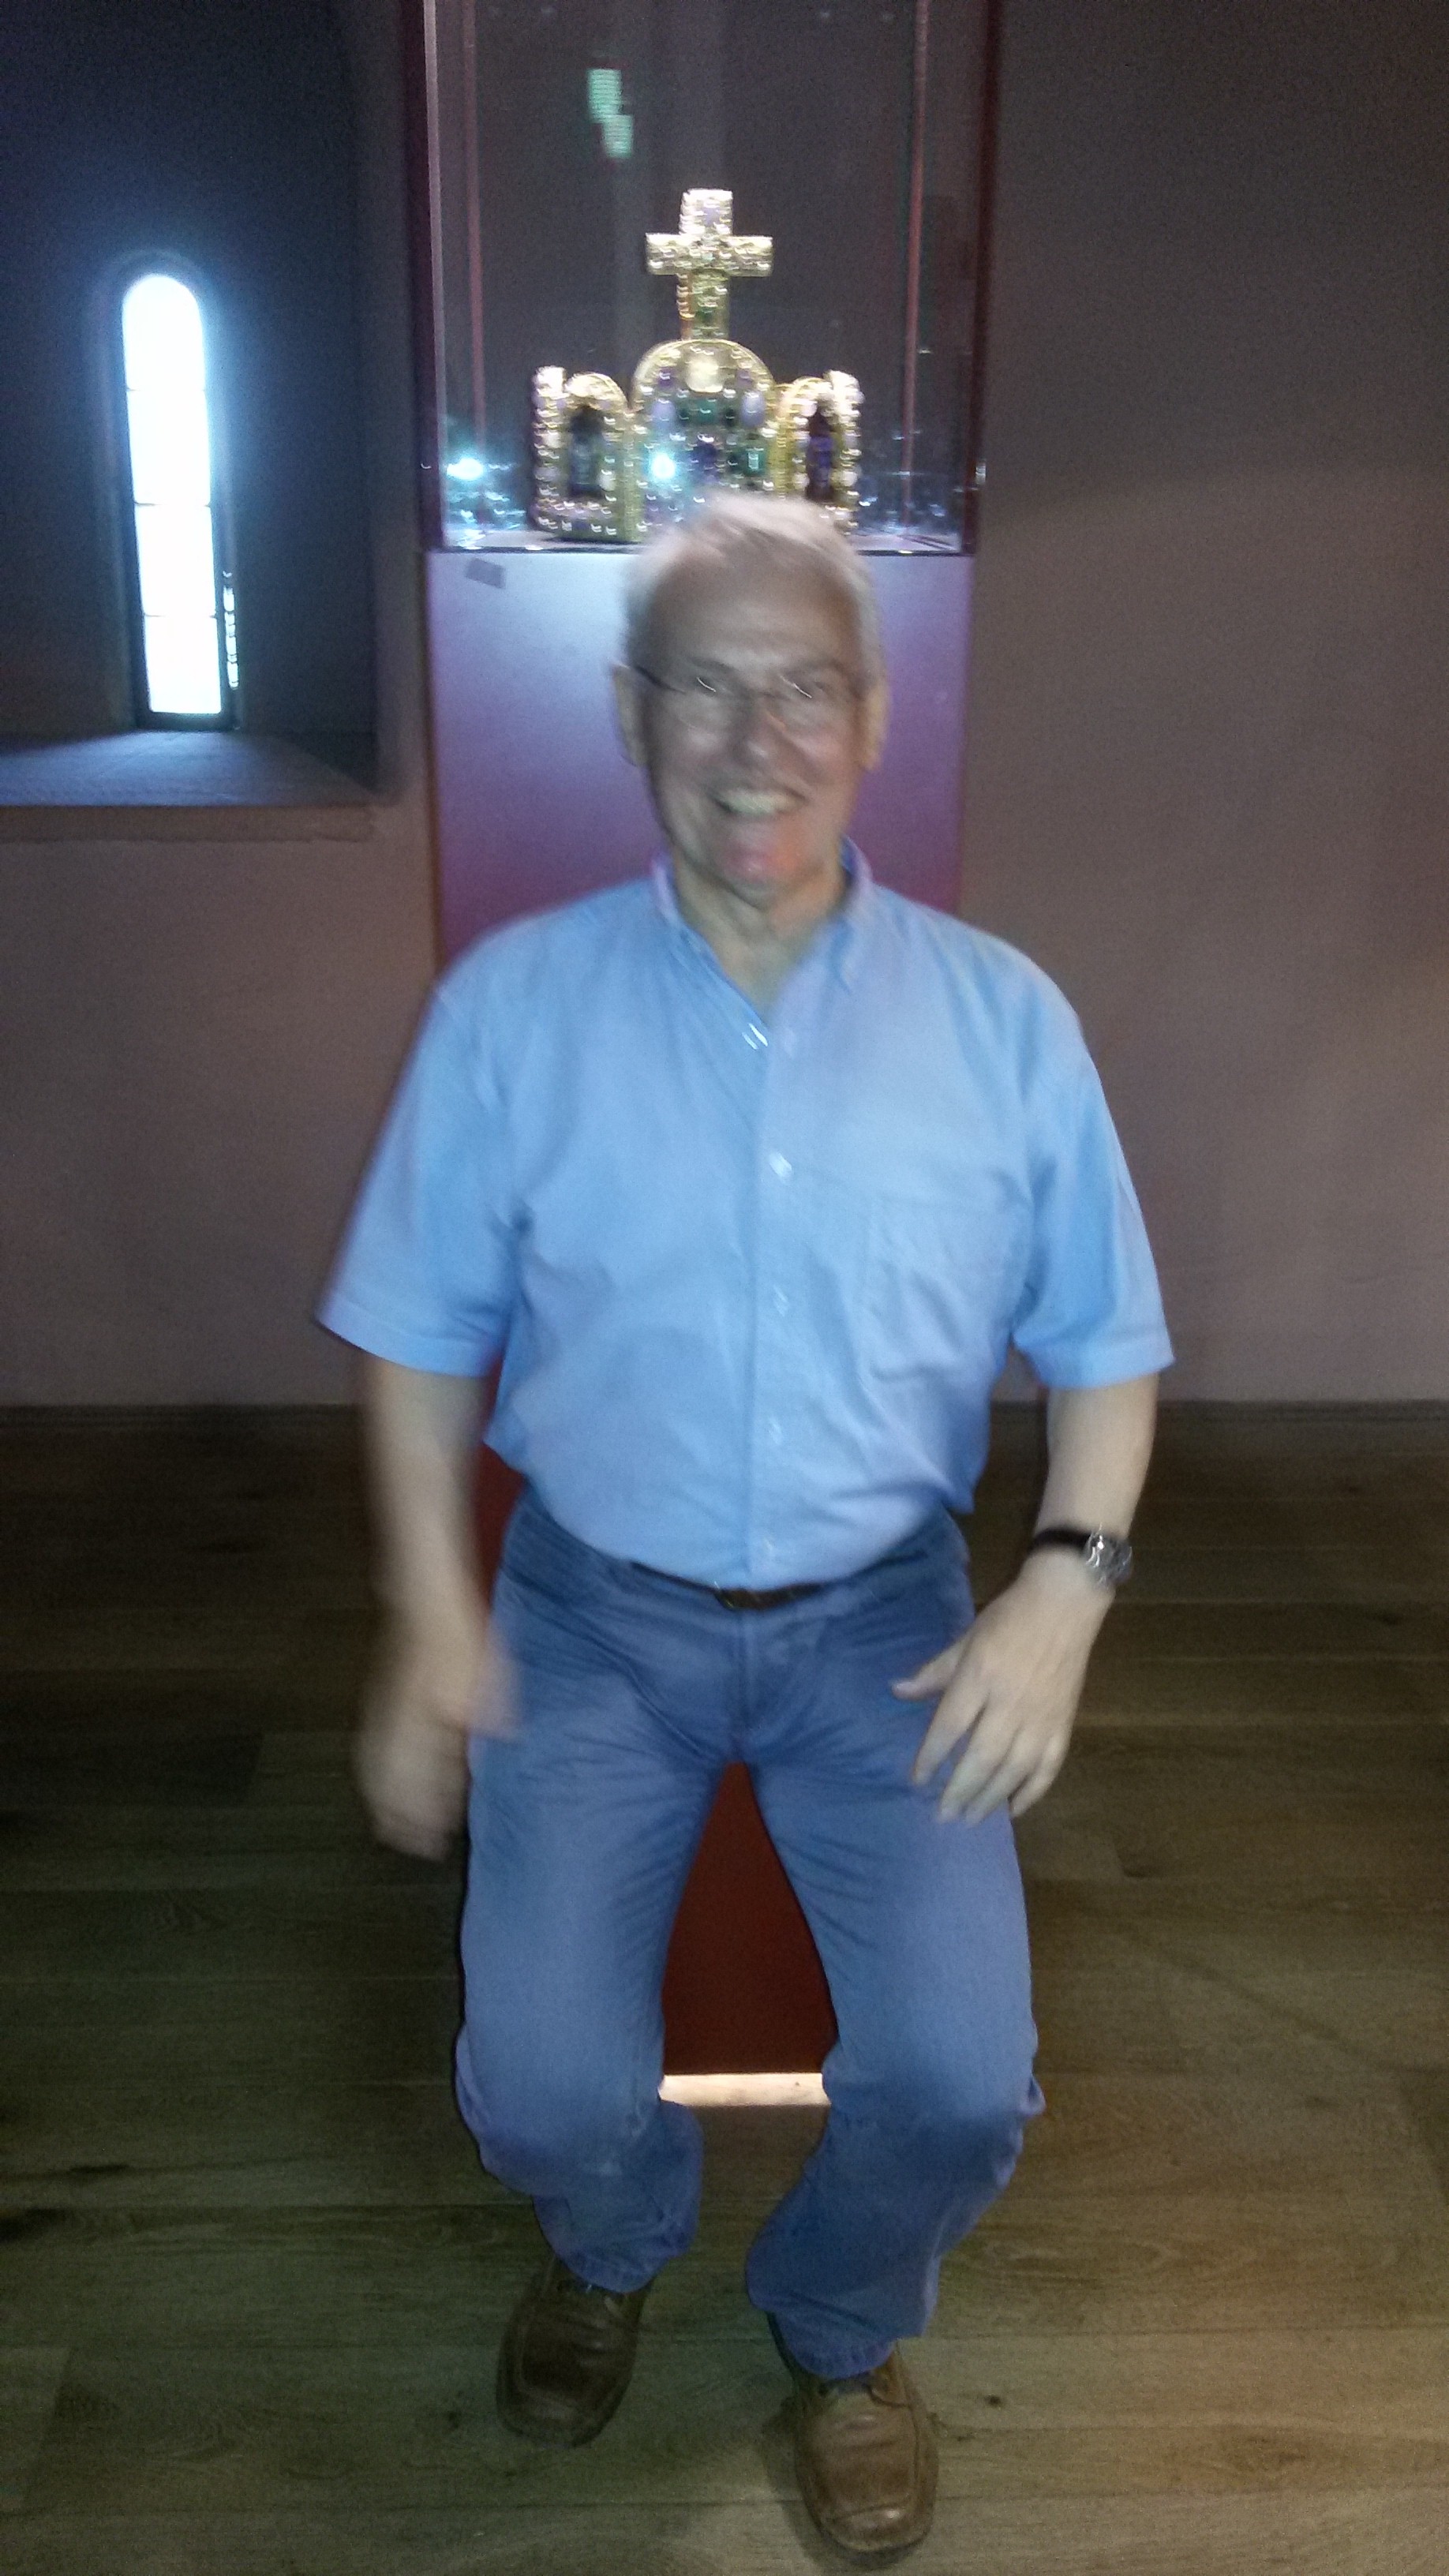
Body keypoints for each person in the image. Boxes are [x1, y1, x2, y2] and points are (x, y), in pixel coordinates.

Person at [320, 492, 1171, 2562]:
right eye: (706, 687)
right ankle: (612, 2241)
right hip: (590, 1617)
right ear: (632, 717)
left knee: (960, 2078)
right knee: (537, 2081)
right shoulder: (512, 1012)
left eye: (803, 689)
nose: (754, 741)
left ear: (869, 719)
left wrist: (1062, 1592)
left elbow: (1105, 1347)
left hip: (886, 1620)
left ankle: (840, 2325)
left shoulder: (1004, 1024)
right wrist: (431, 1616)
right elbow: (418, 1336)